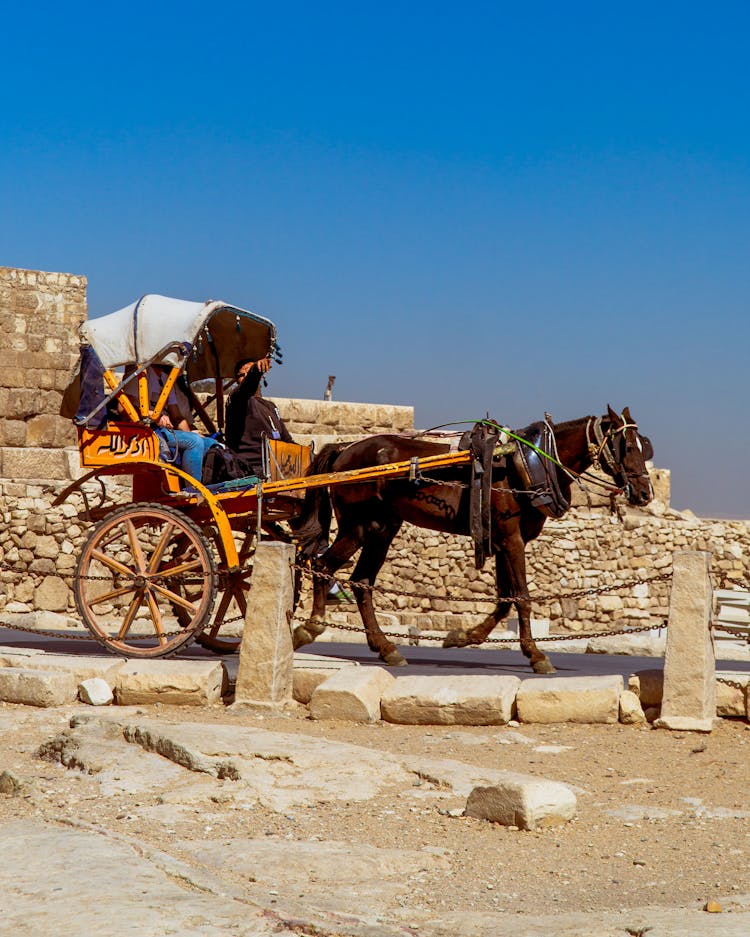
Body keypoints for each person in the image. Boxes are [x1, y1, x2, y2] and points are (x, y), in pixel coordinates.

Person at [131, 365, 217, 487]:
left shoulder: (166, 378)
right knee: (193, 442)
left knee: (210, 443)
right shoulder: (140, 374)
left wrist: (191, 433)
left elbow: (177, 417)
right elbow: (122, 408)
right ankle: (193, 490)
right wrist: (153, 415)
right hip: (145, 431)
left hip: (166, 431)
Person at [224, 357, 293, 477]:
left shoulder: (271, 407)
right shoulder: (236, 399)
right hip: (250, 469)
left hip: (277, 467)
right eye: (241, 375)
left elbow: (287, 441)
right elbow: (247, 385)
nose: (245, 376)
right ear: (237, 380)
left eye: (248, 371)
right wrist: (255, 370)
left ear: (263, 376)